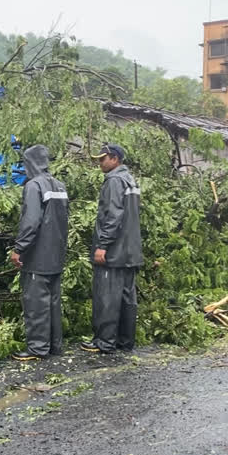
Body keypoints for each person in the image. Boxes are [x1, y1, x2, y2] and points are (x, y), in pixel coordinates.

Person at [81, 144, 144, 354]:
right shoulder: (129, 180)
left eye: (103, 159)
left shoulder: (114, 181)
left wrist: (102, 246)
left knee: (107, 297)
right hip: (130, 251)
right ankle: (125, 342)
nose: (100, 163)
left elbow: (113, 216)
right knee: (127, 298)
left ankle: (105, 342)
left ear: (115, 159)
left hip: (114, 251)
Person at [10, 145, 69, 361]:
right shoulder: (60, 186)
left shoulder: (34, 186)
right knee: (53, 301)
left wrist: (19, 249)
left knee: (36, 302)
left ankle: (37, 348)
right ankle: (54, 345)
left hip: (38, 254)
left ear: (30, 163)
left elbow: (31, 221)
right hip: (57, 252)